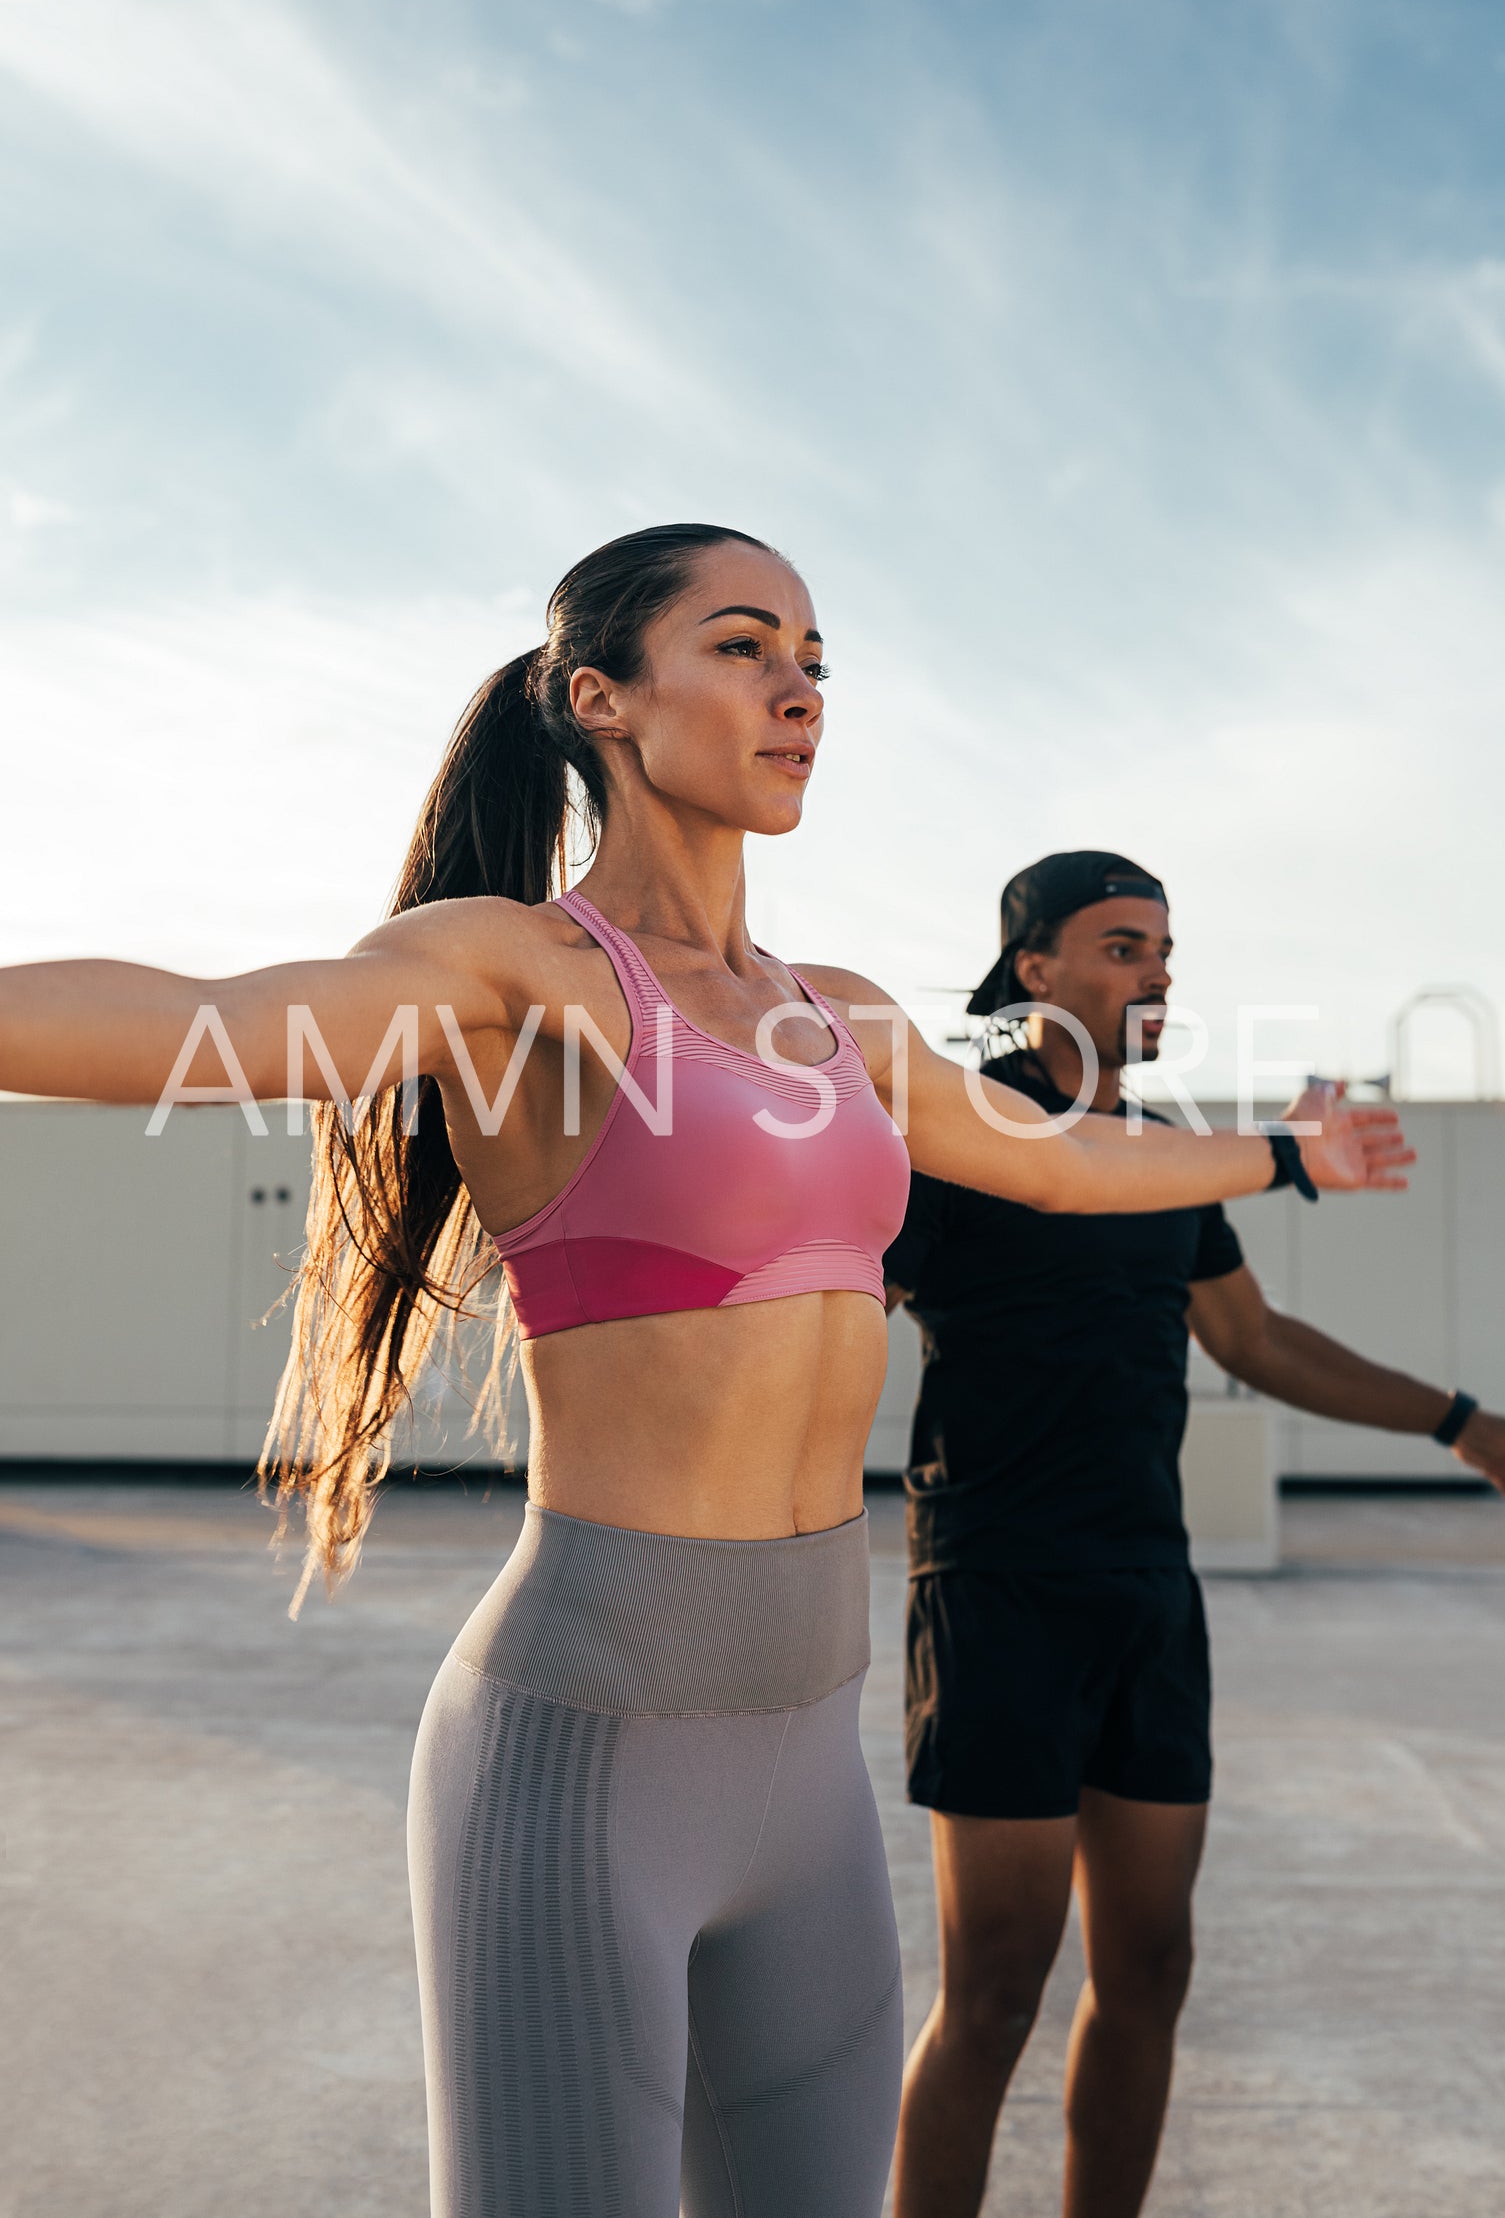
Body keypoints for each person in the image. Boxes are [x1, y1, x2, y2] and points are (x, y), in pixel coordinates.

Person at [0, 539, 1413, 2218]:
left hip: (806, 1772)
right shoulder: (520, 974)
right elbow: (208, 1019)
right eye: (741, 646)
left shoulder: (850, 1020)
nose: (798, 685)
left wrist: (1287, 1153)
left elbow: (1057, 1163)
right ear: (601, 698)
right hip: (584, 1748)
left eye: (814, 653)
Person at [884, 849, 1505, 2218]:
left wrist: (1459, 1420)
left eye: (1162, 947)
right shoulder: (963, 1133)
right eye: (1118, 946)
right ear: (1031, 967)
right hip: (998, 1588)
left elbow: (1254, 1338)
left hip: (1147, 1600)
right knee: (991, 1986)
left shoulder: (1164, 1159)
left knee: (1150, 1966)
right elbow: (830, 1300)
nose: (1154, 971)